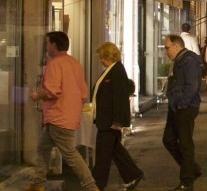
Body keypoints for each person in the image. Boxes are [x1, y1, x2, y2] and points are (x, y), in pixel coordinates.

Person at [27, 31, 99, 191]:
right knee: (43, 148)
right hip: (67, 115)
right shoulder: (74, 63)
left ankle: (91, 187)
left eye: (47, 44)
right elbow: (83, 92)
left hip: (57, 116)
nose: (46, 47)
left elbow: (52, 90)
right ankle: (38, 183)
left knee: (70, 155)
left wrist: (37, 95)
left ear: (53, 44)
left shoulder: (54, 63)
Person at [92, 42, 144, 190]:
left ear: (108, 56)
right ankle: (133, 174)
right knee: (115, 150)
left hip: (109, 120)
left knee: (103, 153)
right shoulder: (112, 70)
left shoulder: (116, 71)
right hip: (107, 119)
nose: (100, 60)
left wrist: (118, 120)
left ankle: (96, 184)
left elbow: (119, 97)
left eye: (102, 57)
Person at [163, 35, 202, 190]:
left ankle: (187, 181)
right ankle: (192, 169)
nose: (166, 51)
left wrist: (182, 104)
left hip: (185, 107)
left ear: (177, 46)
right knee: (168, 140)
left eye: (167, 47)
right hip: (176, 106)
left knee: (185, 144)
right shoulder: (180, 60)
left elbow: (192, 86)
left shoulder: (189, 61)